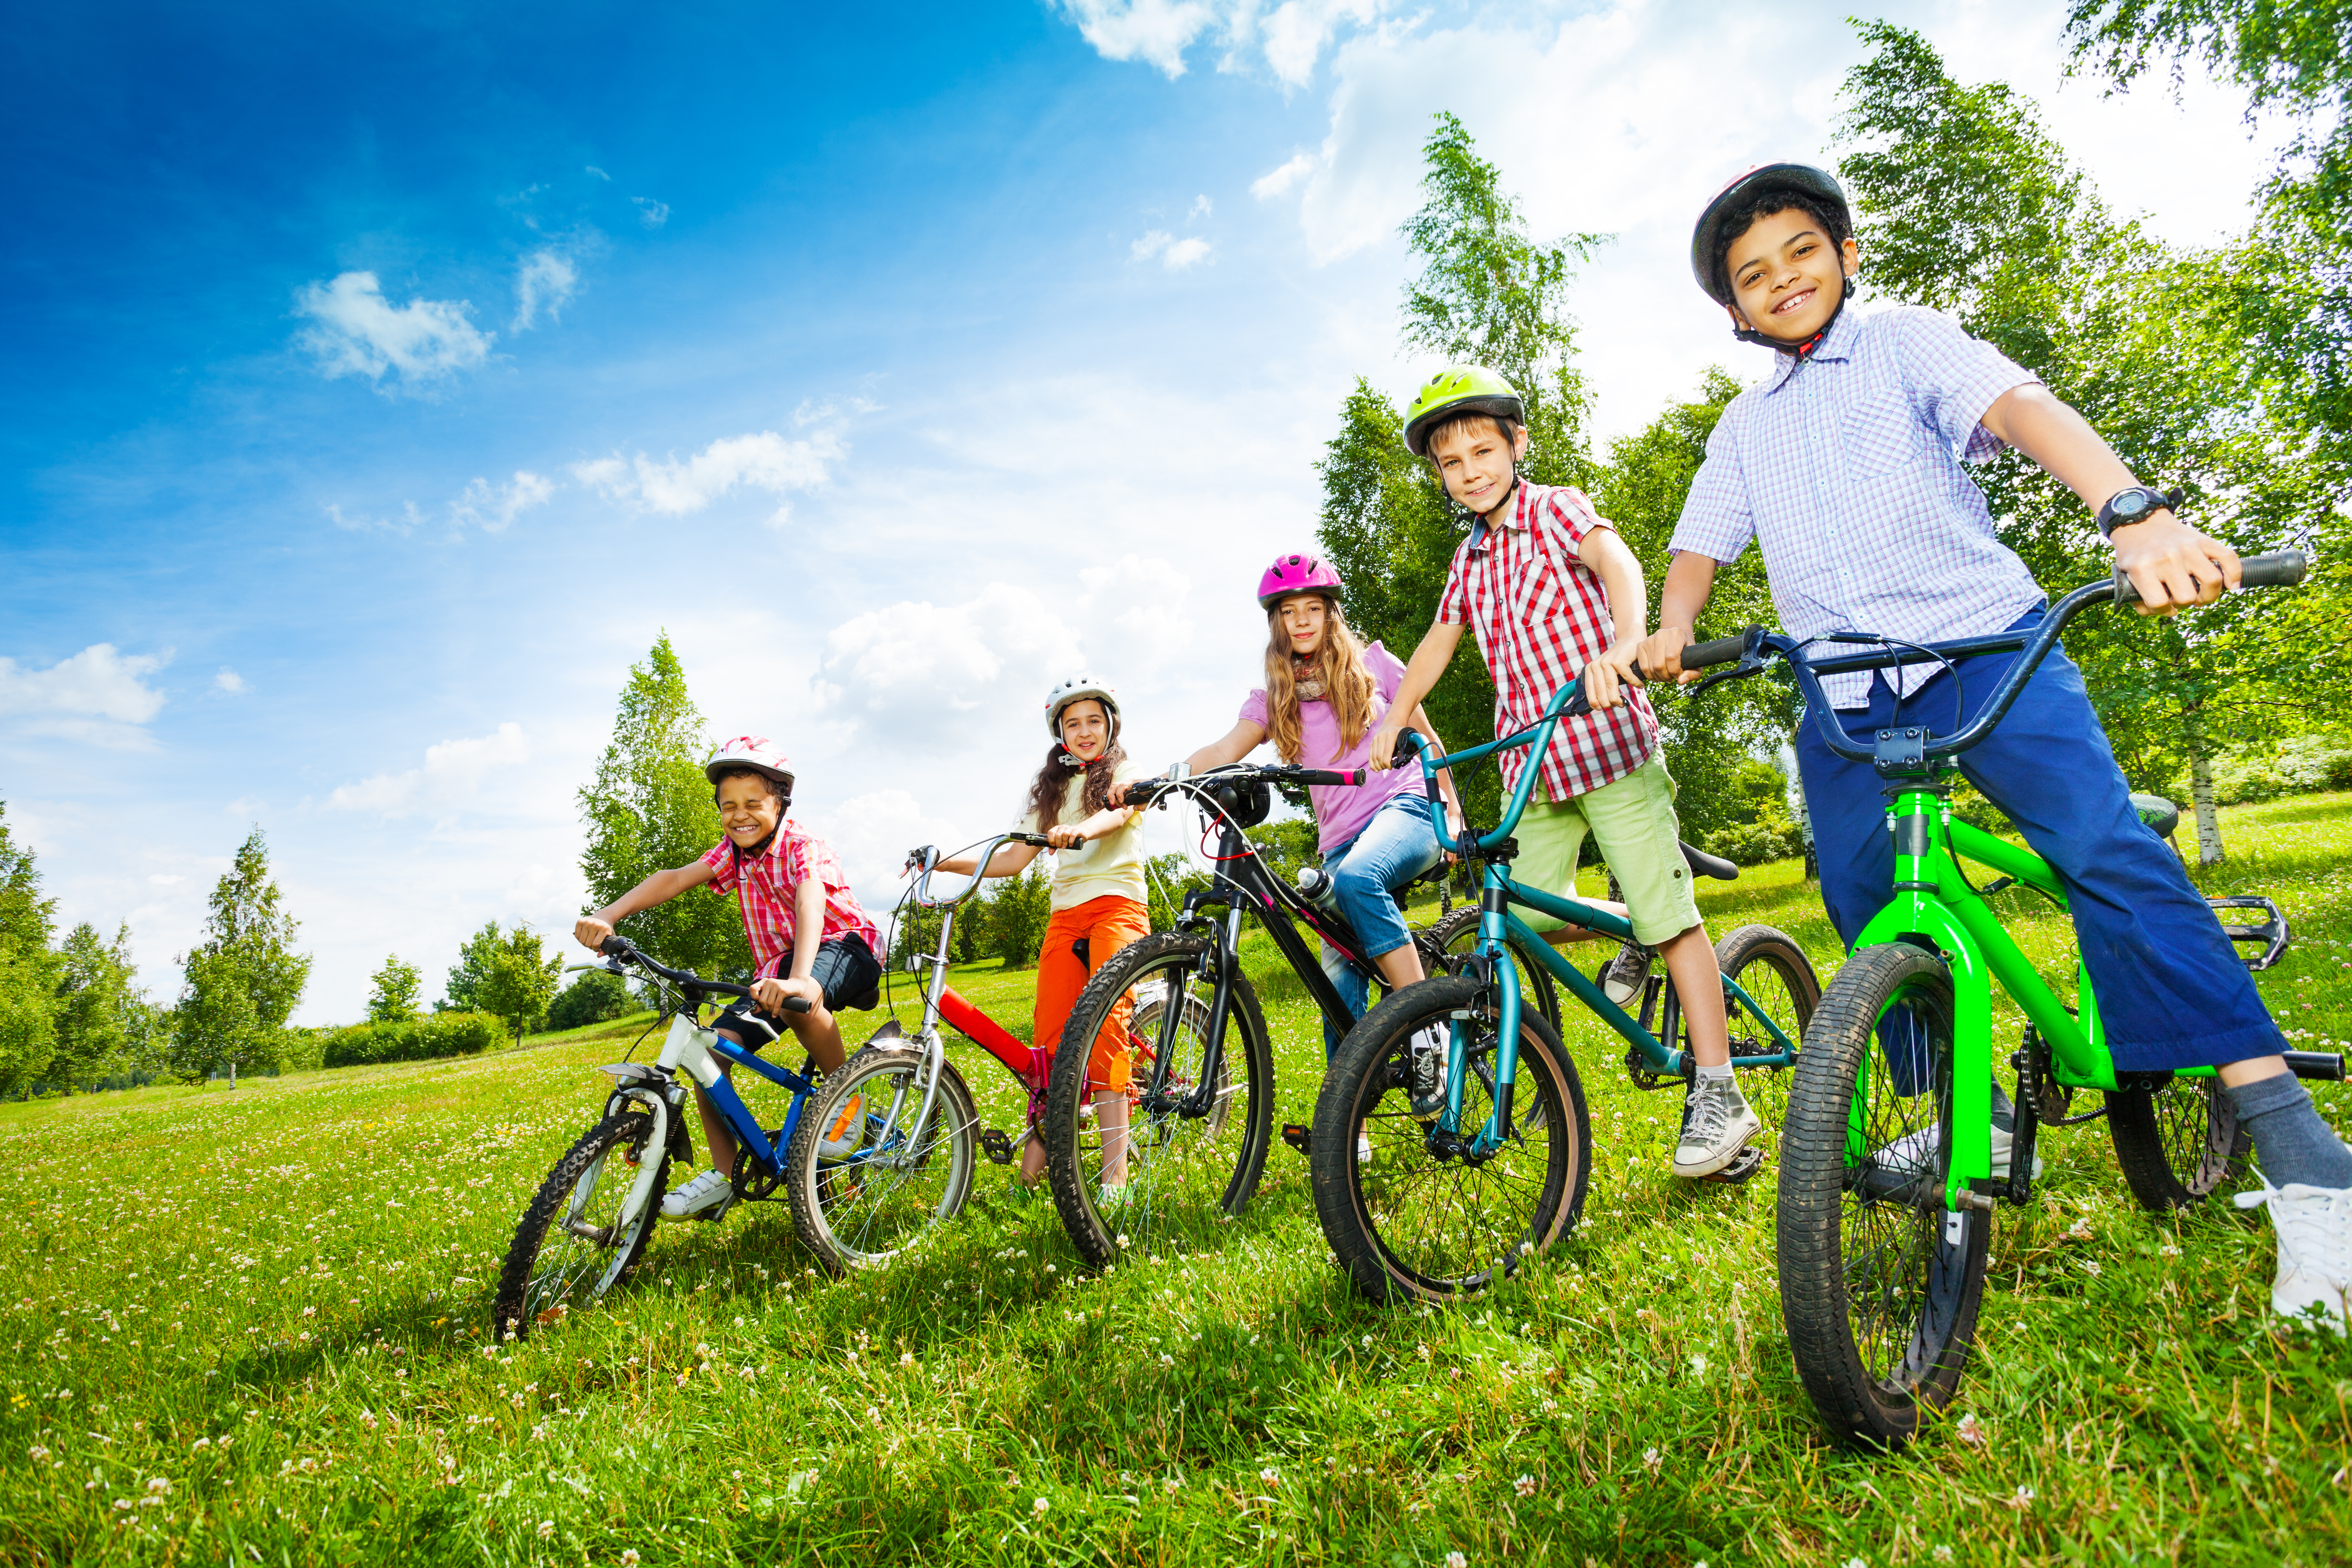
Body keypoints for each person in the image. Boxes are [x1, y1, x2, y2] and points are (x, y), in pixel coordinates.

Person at [1639, 162, 2352, 1327]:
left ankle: (2303, 1152)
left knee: (2103, 853)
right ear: (1734, 310)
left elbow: (2021, 412)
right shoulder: (1743, 424)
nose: (1783, 281)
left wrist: (2131, 512)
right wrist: (1670, 627)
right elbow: (1702, 541)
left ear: (1846, 253)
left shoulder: (1909, 342)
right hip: (1847, 687)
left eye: (1801, 253)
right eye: (1753, 276)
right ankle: (1944, 1107)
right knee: (1868, 892)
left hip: (1989, 648)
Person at [1365, 371, 1761, 1179]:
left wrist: (1625, 640)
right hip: (1531, 767)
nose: (1470, 470)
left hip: (1609, 745)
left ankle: (1718, 1088)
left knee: (1671, 915)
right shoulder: (1470, 555)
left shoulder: (1557, 508)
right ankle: (1637, 930)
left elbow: (1617, 563)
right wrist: (1398, 713)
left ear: (1516, 444)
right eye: (1451, 461)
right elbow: (1441, 640)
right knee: (1529, 918)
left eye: (1483, 449)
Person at [1145, 554, 1468, 1107]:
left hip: (1409, 807)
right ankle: (1350, 1123)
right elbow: (1225, 749)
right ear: (1276, 624)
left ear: (1330, 614)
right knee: (1337, 981)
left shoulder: (1375, 665)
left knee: (1359, 879)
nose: (1301, 621)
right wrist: (1166, 779)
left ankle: (1424, 1032)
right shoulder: (1276, 698)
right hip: (1340, 842)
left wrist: (1452, 809)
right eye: (1289, 612)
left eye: (1312, 610)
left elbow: (1427, 737)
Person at [573, 736, 881, 1222]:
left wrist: (801, 979)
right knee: (709, 1054)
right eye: (728, 806)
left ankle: (849, 1100)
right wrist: (607, 915)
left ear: (780, 803)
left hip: (844, 946)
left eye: (754, 804)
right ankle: (723, 1175)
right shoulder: (733, 855)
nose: (740, 815)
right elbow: (673, 878)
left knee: (800, 1003)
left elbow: (810, 901)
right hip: (776, 970)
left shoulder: (805, 846)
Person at [929, 678, 1149, 1197]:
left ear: (1110, 724)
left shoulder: (1124, 771)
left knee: (1108, 1031)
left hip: (1117, 904)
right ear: (1060, 733)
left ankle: (1115, 1174)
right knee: (1051, 1041)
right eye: (1073, 724)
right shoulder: (1049, 789)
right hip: (1066, 916)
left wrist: (1084, 830)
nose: (1085, 731)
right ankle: (1037, 1168)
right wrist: (943, 861)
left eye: (1094, 720)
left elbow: (1120, 812)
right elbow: (1009, 860)